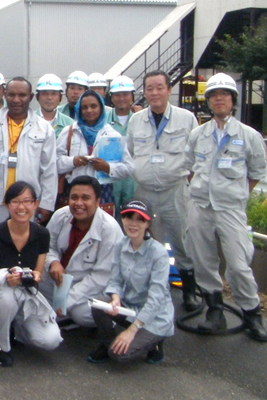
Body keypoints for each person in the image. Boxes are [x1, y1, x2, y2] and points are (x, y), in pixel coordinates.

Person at [184, 73, 267, 342]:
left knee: (238, 264)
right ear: (208, 101)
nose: (219, 99)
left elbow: (255, 173)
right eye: (214, 95)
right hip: (200, 206)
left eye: (224, 94)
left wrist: (235, 194)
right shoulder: (198, 135)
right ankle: (215, 311)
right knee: (203, 260)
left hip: (230, 209)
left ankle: (252, 314)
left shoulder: (249, 136)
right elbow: (190, 169)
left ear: (233, 99)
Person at [126, 70, 200, 312]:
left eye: (159, 87)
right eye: (149, 88)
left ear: (169, 90)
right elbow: (130, 152)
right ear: (144, 92)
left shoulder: (186, 118)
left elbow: (196, 156)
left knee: (182, 240)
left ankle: (189, 290)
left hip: (175, 191)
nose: (154, 93)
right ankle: (156, 289)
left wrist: (182, 179)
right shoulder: (136, 120)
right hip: (145, 192)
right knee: (150, 242)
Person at [0, 182, 62, 367]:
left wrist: (36, 276)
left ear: (35, 204)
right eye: (15, 201)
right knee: (6, 298)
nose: (21, 207)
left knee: (51, 340)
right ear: (7, 205)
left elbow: (38, 271)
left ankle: (16, 329)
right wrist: (6, 278)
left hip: (28, 293)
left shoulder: (42, 234)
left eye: (27, 201)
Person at [87, 198, 174, 364]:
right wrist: (115, 298)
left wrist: (132, 330)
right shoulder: (120, 245)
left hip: (154, 316)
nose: (133, 224)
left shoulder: (158, 253)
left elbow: (156, 299)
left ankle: (155, 342)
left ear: (148, 223)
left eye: (140, 219)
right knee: (99, 304)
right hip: (130, 308)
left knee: (119, 356)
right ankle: (108, 343)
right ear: (122, 219)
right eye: (128, 217)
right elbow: (115, 280)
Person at [41, 176, 123, 328]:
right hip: (60, 278)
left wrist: (67, 299)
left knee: (81, 314)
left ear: (98, 201)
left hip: (92, 286)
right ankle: (61, 313)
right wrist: (53, 261)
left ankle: (112, 318)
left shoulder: (109, 228)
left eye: (85, 198)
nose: (78, 203)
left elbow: (101, 277)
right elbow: (46, 246)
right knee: (32, 283)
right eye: (74, 197)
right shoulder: (61, 215)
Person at [0, 77, 58, 224]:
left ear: (31, 97)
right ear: (5, 95)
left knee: (25, 238)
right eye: (11, 95)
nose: (16, 100)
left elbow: (49, 169)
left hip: (29, 203)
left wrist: (46, 204)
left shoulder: (44, 128)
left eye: (22, 95)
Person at [56, 90, 134, 217]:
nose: (89, 110)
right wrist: (73, 161)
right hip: (74, 192)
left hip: (103, 194)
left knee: (101, 227)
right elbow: (55, 163)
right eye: (84, 107)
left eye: (93, 106)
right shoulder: (69, 132)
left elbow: (128, 168)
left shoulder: (112, 135)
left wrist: (107, 167)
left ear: (101, 108)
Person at [106, 76, 139, 223]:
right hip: (109, 179)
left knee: (132, 218)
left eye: (125, 94)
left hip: (134, 180)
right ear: (111, 97)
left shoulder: (140, 120)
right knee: (110, 219)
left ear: (132, 96)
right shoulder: (103, 120)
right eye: (117, 95)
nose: (121, 98)